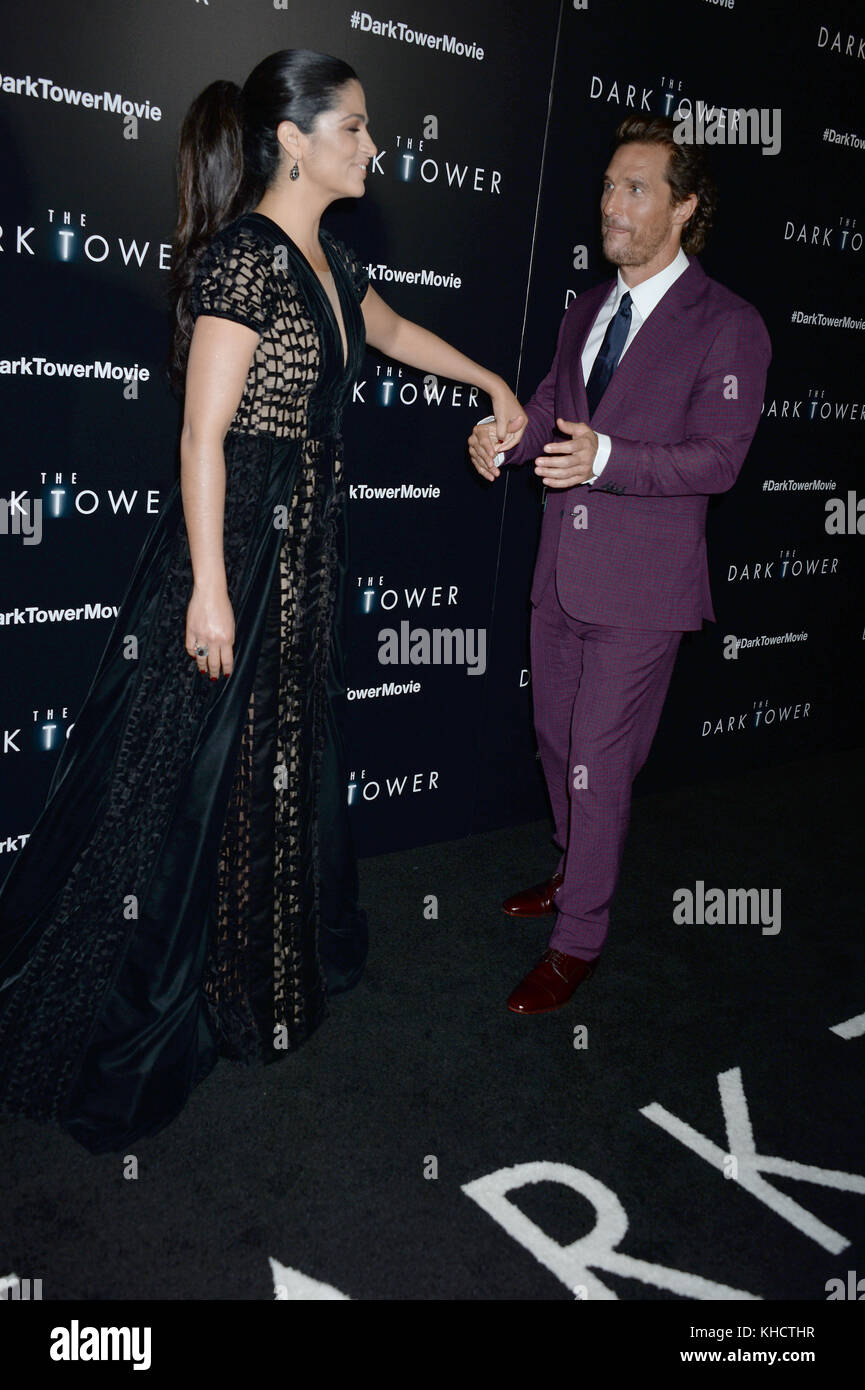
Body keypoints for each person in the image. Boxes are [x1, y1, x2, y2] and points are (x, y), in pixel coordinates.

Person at [0, 48, 525, 1153]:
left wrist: (490, 382)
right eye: (356, 128)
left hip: (305, 547)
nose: (375, 147)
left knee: (275, 763)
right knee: (180, 784)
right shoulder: (244, 259)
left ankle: (256, 974)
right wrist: (207, 591)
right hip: (235, 546)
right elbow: (201, 435)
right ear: (293, 139)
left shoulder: (325, 253)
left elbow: (386, 331)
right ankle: (145, 1008)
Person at [469, 114, 772, 1015]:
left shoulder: (730, 325)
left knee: (597, 759)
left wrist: (606, 461)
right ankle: (571, 872)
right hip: (560, 571)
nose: (610, 203)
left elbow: (718, 461)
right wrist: (505, 437)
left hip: (643, 590)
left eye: (633, 188)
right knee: (558, 746)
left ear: (683, 208)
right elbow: (554, 404)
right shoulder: (585, 307)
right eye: (606, 185)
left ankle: (580, 938)